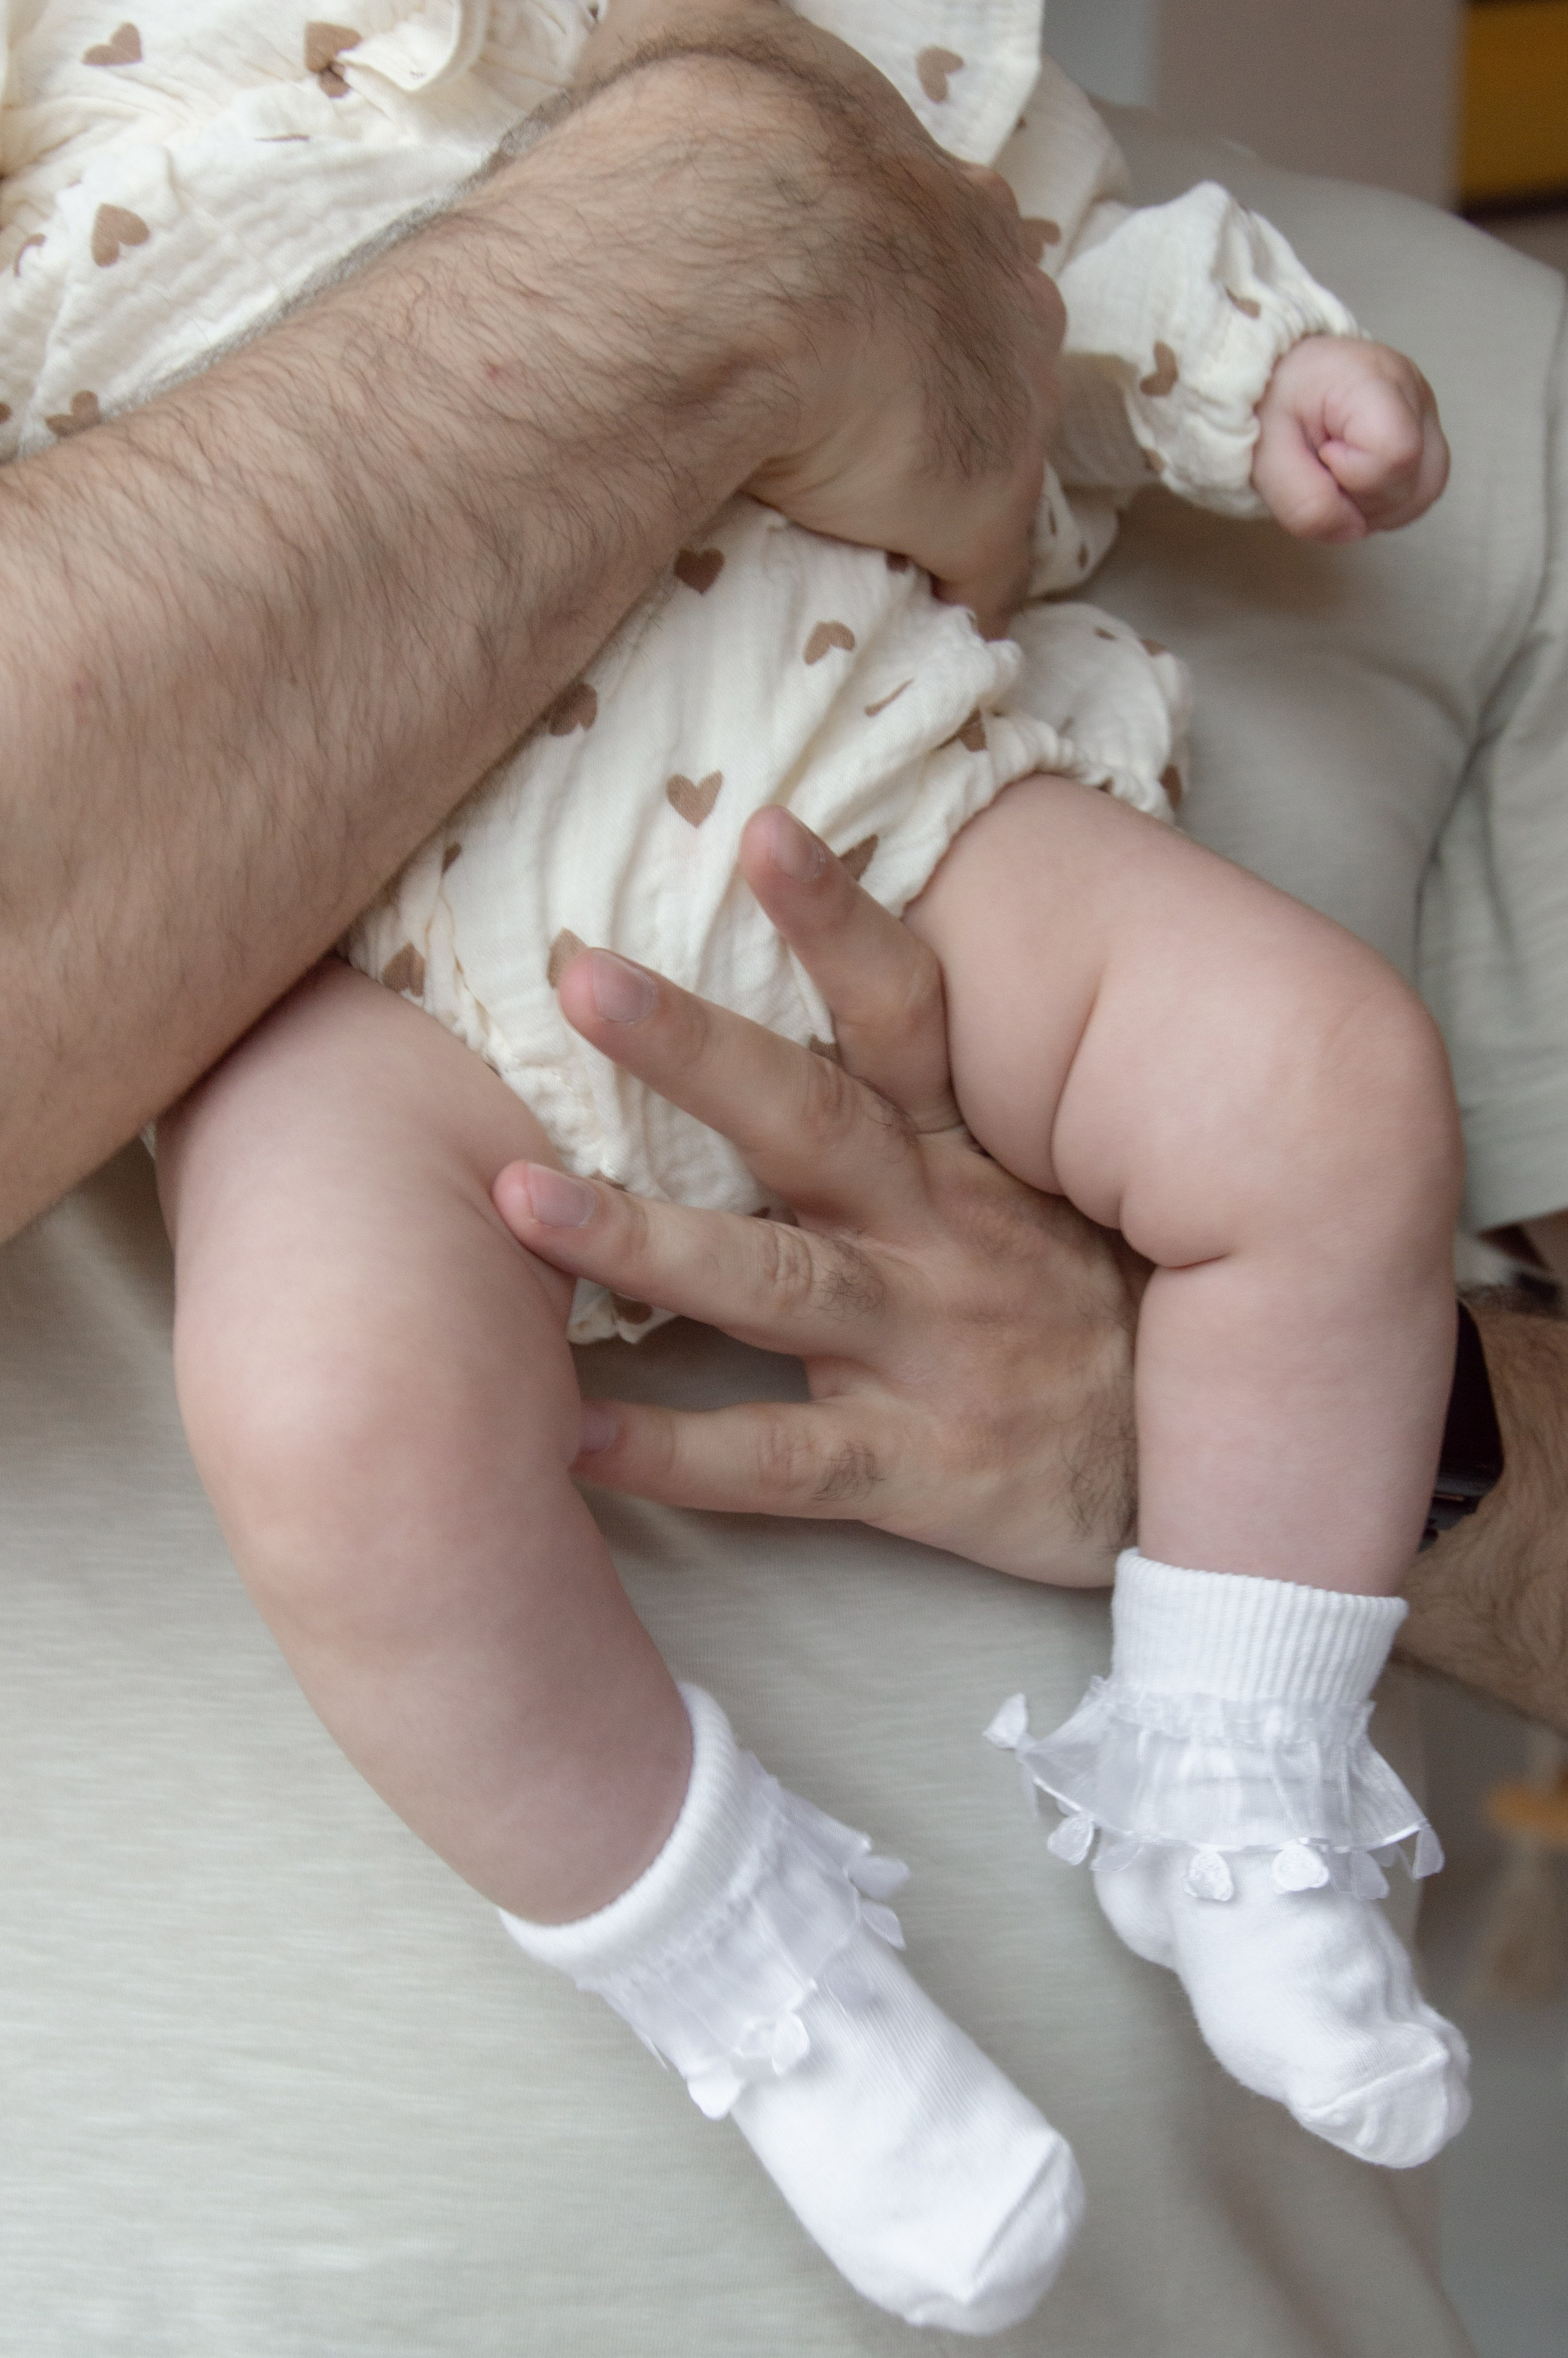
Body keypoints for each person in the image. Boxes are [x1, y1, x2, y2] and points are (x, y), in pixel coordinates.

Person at [1, 8, 1566, 2353]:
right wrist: (711, 241)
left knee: (1323, 1078)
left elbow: (1059, 282)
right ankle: (763, 1984)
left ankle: (1235, 1777)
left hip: (854, 779)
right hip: (371, 1002)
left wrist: (1166, 1421)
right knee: (330, 1413)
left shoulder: (1427, 340)